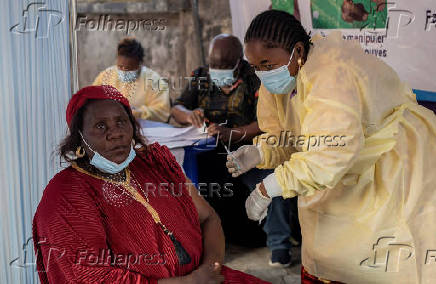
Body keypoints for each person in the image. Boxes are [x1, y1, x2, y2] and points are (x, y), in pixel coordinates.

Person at [226, 10, 436, 283]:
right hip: (340, 163)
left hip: (392, 164)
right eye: (255, 66)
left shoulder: (331, 74)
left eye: (266, 64)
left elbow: (329, 154)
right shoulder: (280, 78)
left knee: (384, 254)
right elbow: (289, 137)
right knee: (330, 248)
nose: (262, 74)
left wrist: (270, 187)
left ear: (298, 50)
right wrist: (260, 152)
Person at [32, 85, 270, 284]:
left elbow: (209, 218)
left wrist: (209, 269)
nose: (115, 133)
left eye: (121, 122)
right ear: (79, 137)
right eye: (100, 126)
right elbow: (87, 275)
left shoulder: (155, 163)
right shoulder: (65, 195)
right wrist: (188, 282)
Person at [172, 34, 299, 261]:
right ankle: (200, 244)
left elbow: (266, 122)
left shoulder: (254, 79)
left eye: (224, 65)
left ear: (238, 61)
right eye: (214, 64)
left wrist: (234, 133)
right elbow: (177, 107)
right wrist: (189, 114)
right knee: (187, 182)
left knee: (271, 181)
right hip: (209, 152)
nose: (217, 69)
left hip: (249, 150)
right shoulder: (201, 76)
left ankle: (279, 245)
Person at [93, 37, 170, 122]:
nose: (123, 71)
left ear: (139, 64)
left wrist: (137, 113)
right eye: (120, 66)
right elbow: (92, 102)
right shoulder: (105, 76)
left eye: (129, 68)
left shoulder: (154, 81)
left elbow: (163, 112)